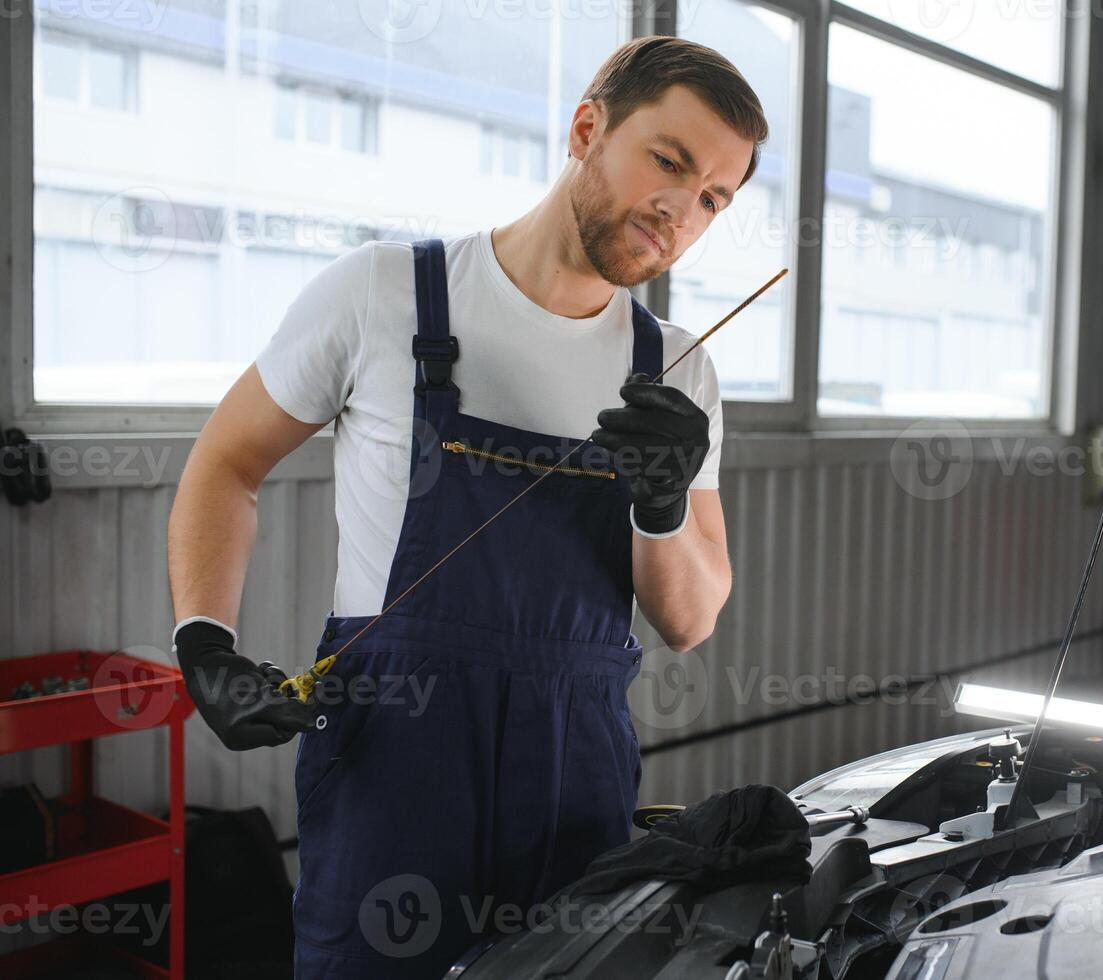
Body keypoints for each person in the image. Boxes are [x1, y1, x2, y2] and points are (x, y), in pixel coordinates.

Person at [165, 35, 766, 977]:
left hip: (575, 779)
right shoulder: (384, 295)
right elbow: (226, 464)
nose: (680, 210)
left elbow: (689, 619)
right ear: (586, 128)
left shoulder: (680, 373)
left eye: (712, 199)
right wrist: (203, 641)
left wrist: (659, 506)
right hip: (395, 765)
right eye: (669, 161)